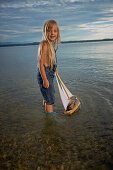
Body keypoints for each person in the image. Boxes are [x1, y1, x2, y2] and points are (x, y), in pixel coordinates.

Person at [37, 20, 61, 114]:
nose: (52, 33)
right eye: (49, 31)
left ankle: (45, 110)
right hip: (45, 74)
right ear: (45, 32)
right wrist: (45, 79)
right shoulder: (45, 45)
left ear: (57, 33)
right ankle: (50, 119)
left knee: (48, 94)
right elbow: (41, 64)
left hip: (49, 73)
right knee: (50, 99)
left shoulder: (51, 45)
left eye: (55, 31)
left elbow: (50, 60)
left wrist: (54, 69)